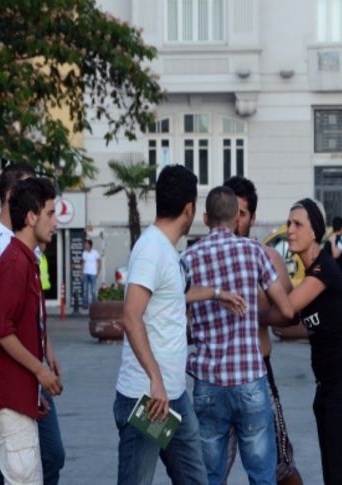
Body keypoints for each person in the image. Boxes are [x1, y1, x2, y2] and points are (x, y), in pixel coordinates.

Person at [113, 165, 245, 485]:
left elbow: (175, 295)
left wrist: (216, 294)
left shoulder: (166, 250)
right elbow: (131, 317)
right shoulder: (150, 251)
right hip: (148, 399)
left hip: (173, 398)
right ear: (189, 209)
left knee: (195, 479)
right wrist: (155, 380)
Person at [0, 162, 65, 485]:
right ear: (31, 217)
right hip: (6, 388)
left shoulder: (25, 258)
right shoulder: (13, 260)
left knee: (37, 464)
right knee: (22, 476)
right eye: (49, 213)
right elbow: (1, 328)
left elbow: (19, 322)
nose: (55, 221)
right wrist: (40, 371)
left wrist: (39, 370)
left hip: (20, 386)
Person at [182, 186, 295, 484]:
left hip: (207, 382)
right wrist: (251, 316)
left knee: (209, 476)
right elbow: (285, 309)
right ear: (236, 218)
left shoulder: (189, 258)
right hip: (250, 381)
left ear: (205, 218)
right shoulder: (254, 251)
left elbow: (174, 309)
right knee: (261, 475)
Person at [263, 198, 342, 485]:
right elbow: (297, 323)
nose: (290, 231)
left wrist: (244, 311)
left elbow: (286, 309)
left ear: (315, 232)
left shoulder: (323, 270)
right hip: (327, 388)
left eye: (298, 224)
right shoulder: (311, 274)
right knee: (332, 474)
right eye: (288, 224)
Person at [223, 175, 302, 485]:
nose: (235, 220)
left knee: (281, 464)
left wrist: (247, 302)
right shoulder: (208, 255)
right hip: (218, 374)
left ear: (252, 218)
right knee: (208, 469)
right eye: (231, 211)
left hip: (258, 370)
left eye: (242, 213)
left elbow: (289, 314)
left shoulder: (268, 258)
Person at [82, 239, 100, 308]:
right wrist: (82, 273)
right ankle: (85, 305)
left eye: (86, 244)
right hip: (86, 273)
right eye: (85, 244)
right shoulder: (84, 253)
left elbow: (99, 262)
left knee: (93, 290)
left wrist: (98, 272)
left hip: (93, 273)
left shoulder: (95, 253)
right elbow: (83, 263)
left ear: (90, 245)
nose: (85, 246)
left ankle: (95, 305)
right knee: (85, 290)